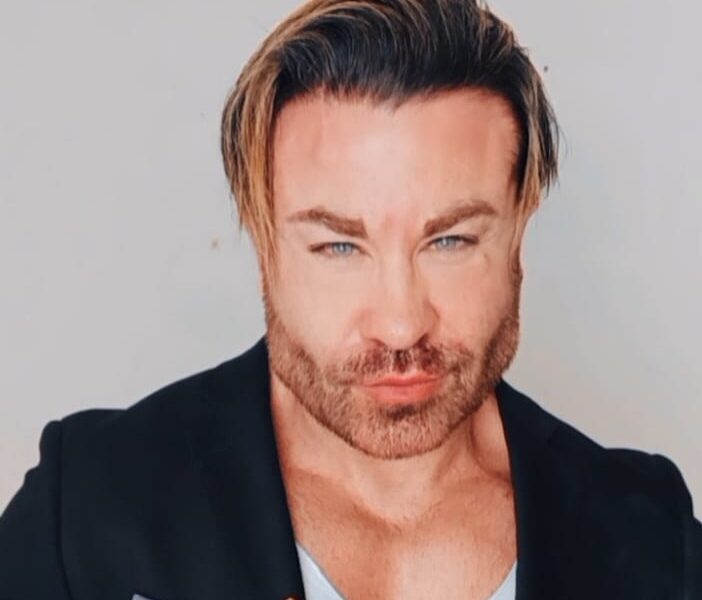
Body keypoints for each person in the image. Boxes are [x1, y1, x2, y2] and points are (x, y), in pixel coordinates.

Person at [1, 0, 700, 598]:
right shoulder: (87, 509)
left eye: (450, 240)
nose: (400, 324)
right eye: (339, 246)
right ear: (265, 243)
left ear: (520, 226)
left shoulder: (648, 537)